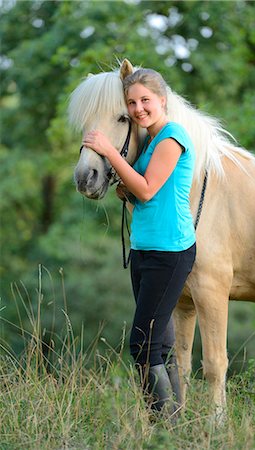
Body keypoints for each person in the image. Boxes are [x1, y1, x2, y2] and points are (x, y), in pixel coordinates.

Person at [83, 68, 196, 419]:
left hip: (169, 253)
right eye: (132, 102)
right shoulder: (148, 141)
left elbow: (147, 188)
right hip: (144, 249)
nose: (138, 108)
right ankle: (178, 424)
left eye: (145, 100)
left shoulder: (172, 137)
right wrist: (124, 189)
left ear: (162, 100)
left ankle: (163, 429)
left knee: (142, 345)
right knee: (159, 343)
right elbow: (147, 197)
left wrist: (107, 150)